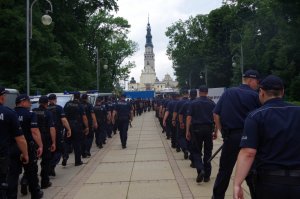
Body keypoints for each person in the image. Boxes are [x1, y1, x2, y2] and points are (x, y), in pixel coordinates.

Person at [233, 75, 300, 199]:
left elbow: (248, 153)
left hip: (270, 183)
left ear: (262, 92)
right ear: (282, 92)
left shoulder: (256, 116)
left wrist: (237, 183)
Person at [212, 70, 260, 199]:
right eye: (257, 81)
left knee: (224, 171)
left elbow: (216, 114)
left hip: (231, 137)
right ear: (250, 80)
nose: (258, 84)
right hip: (250, 139)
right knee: (251, 172)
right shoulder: (255, 96)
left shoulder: (228, 92)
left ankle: (217, 197)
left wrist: (223, 132)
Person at [7, 94, 43, 199]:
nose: (30, 104)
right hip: (27, 147)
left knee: (13, 174)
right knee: (31, 172)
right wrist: (40, 145)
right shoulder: (30, 114)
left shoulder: (11, 113)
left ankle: (11, 196)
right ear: (23, 102)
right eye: (28, 101)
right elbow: (34, 131)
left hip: (13, 147)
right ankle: (35, 194)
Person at [0, 87, 28, 198]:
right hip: (3, 156)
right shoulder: (9, 113)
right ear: (2, 97)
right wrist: (25, 154)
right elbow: (20, 138)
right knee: (5, 182)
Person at [186, 85, 216, 183]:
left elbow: (189, 118)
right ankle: (207, 175)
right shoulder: (212, 103)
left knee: (196, 151)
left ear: (199, 92)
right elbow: (216, 118)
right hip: (208, 129)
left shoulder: (194, 103)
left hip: (196, 129)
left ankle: (200, 169)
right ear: (207, 92)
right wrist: (216, 131)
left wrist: (187, 131)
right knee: (208, 151)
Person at [32, 95, 56, 189]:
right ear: (47, 103)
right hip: (45, 138)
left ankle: (25, 179)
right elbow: (51, 128)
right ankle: (44, 182)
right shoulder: (48, 113)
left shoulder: (33, 112)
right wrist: (53, 142)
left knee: (32, 161)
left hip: (34, 138)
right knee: (46, 161)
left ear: (39, 103)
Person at [47, 94, 71, 176]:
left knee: (49, 151)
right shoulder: (58, 108)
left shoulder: (45, 108)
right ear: (55, 99)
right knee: (59, 150)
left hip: (45, 133)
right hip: (57, 132)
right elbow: (63, 120)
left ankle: (49, 169)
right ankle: (51, 166)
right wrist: (68, 129)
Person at [63, 92, 89, 166]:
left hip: (68, 126)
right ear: (79, 97)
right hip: (77, 126)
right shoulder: (80, 105)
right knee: (77, 144)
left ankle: (65, 156)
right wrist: (87, 127)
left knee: (67, 142)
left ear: (73, 96)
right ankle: (77, 161)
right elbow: (84, 117)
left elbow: (63, 116)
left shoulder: (67, 104)